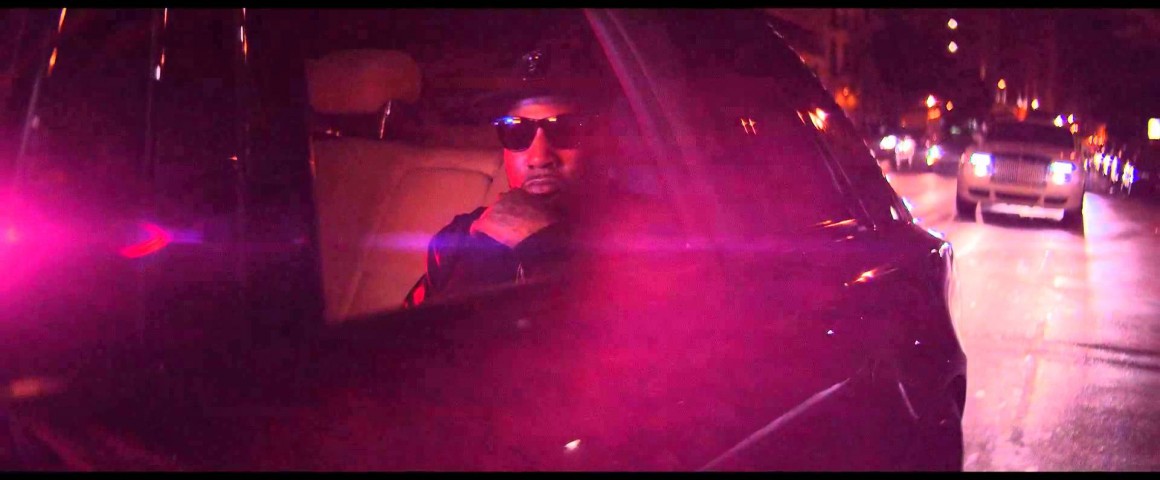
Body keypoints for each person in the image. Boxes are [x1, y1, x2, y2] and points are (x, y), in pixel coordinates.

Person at [402, 86, 601, 308]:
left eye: (565, 131)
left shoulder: (624, 240)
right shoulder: (459, 238)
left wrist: (545, 242)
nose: (539, 158)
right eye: (517, 132)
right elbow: (410, 326)